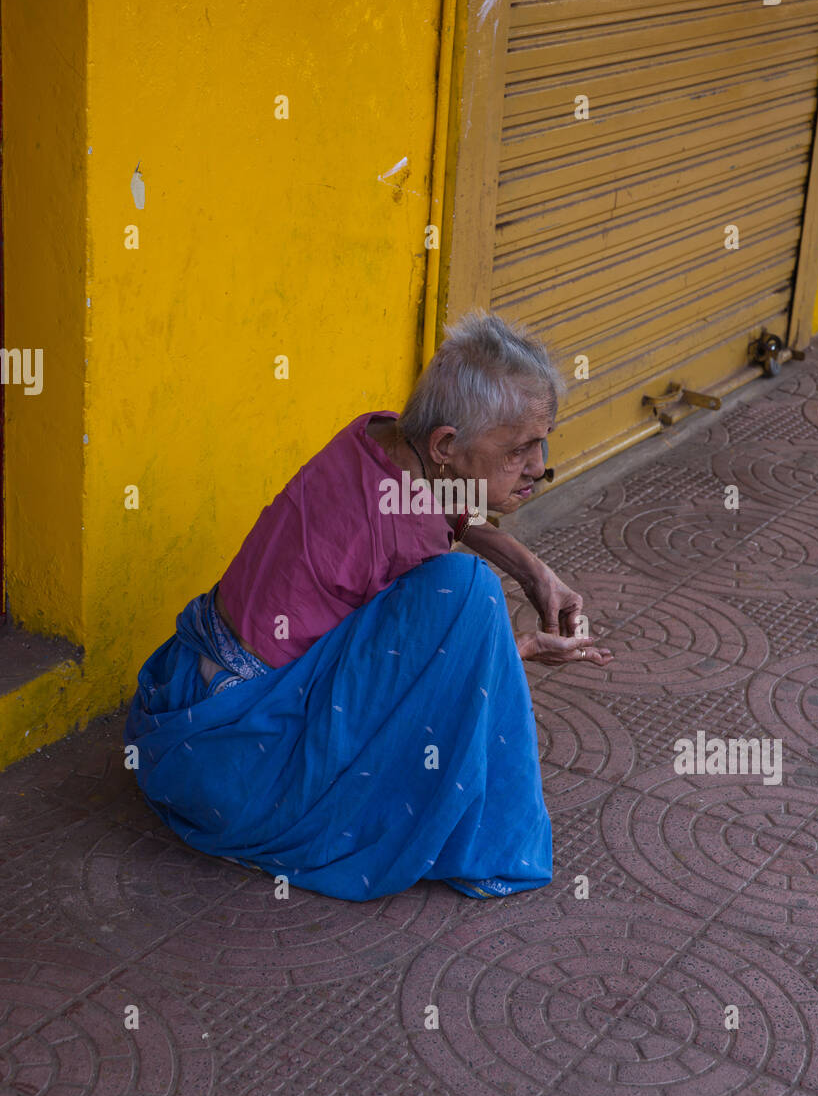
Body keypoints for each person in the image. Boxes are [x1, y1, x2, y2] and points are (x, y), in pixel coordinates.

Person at [124, 312, 613, 900]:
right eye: (520, 450)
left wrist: (531, 568)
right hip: (247, 769)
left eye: (542, 443)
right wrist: (523, 648)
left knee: (462, 591)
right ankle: (484, 847)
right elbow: (425, 679)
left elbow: (433, 501)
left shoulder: (378, 435)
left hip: (190, 702)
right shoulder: (407, 538)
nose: (538, 467)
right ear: (446, 445)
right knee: (467, 594)